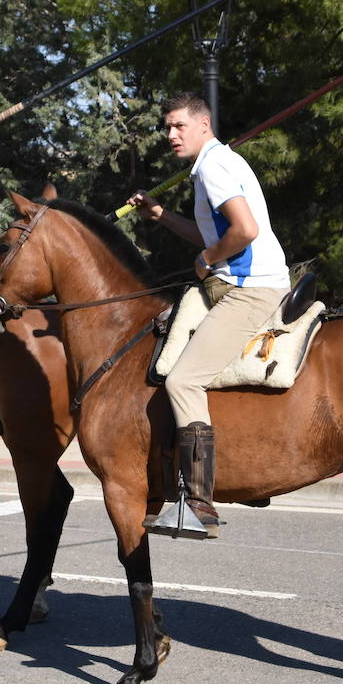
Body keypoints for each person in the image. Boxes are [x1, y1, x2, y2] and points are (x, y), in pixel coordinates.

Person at [127, 92, 290, 537]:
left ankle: (198, 503)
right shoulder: (214, 164)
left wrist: (207, 258)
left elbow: (245, 230)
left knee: (183, 379)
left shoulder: (215, 166)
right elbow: (207, 232)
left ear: (204, 124)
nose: (171, 135)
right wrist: (160, 215)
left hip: (248, 291)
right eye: (167, 127)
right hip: (230, 285)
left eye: (179, 126)